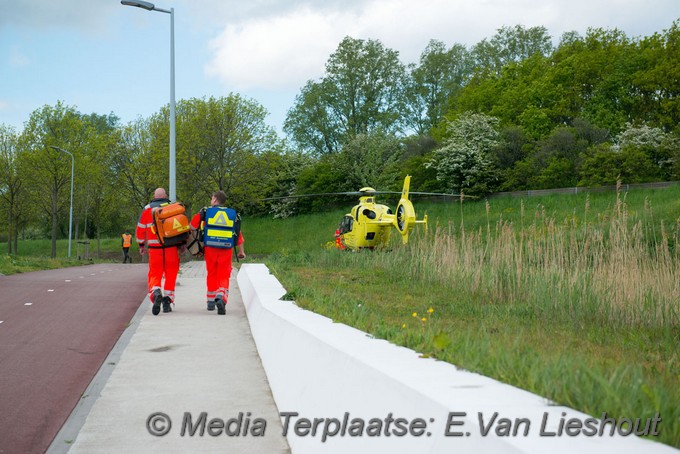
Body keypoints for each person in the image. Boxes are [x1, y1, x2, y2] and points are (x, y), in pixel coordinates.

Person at [190, 190, 245, 315]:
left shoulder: (206, 212)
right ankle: (221, 296)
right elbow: (238, 234)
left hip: (210, 248)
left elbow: (192, 226)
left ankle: (210, 302)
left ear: (215, 200)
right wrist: (241, 252)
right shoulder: (232, 214)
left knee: (212, 273)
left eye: (211, 198)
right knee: (224, 274)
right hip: (226, 249)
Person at [136, 188, 184, 315]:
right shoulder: (173, 208)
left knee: (154, 273)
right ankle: (167, 302)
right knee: (171, 274)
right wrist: (182, 245)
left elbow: (140, 229)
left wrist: (141, 244)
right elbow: (180, 228)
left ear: (154, 196)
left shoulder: (147, 209)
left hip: (154, 249)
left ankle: (156, 292)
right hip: (171, 248)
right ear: (166, 196)